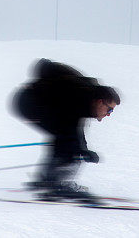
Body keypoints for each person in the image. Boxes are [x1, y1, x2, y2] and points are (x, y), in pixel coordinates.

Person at [10, 58, 121, 200]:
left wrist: (83, 149)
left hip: (32, 102)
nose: (108, 114)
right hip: (29, 103)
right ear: (100, 102)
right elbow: (70, 128)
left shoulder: (86, 96)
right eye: (109, 110)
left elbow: (75, 127)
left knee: (65, 138)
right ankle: (57, 184)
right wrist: (81, 150)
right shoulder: (79, 96)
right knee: (66, 139)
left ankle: (48, 181)